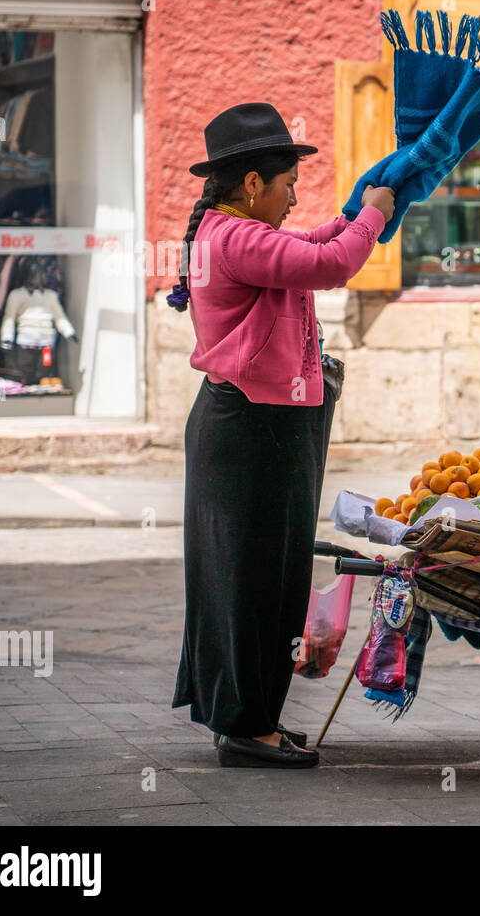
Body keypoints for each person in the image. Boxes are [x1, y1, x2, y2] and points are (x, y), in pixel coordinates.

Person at [167, 103, 396, 768]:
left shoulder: (230, 231)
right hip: (247, 429)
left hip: (255, 424)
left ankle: (253, 717)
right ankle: (247, 726)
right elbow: (332, 265)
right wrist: (374, 214)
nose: (295, 195)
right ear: (250, 186)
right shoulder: (236, 240)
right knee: (252, 581)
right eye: (287, 182)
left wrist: (355, 214)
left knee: (268, 578)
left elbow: (314, 245)